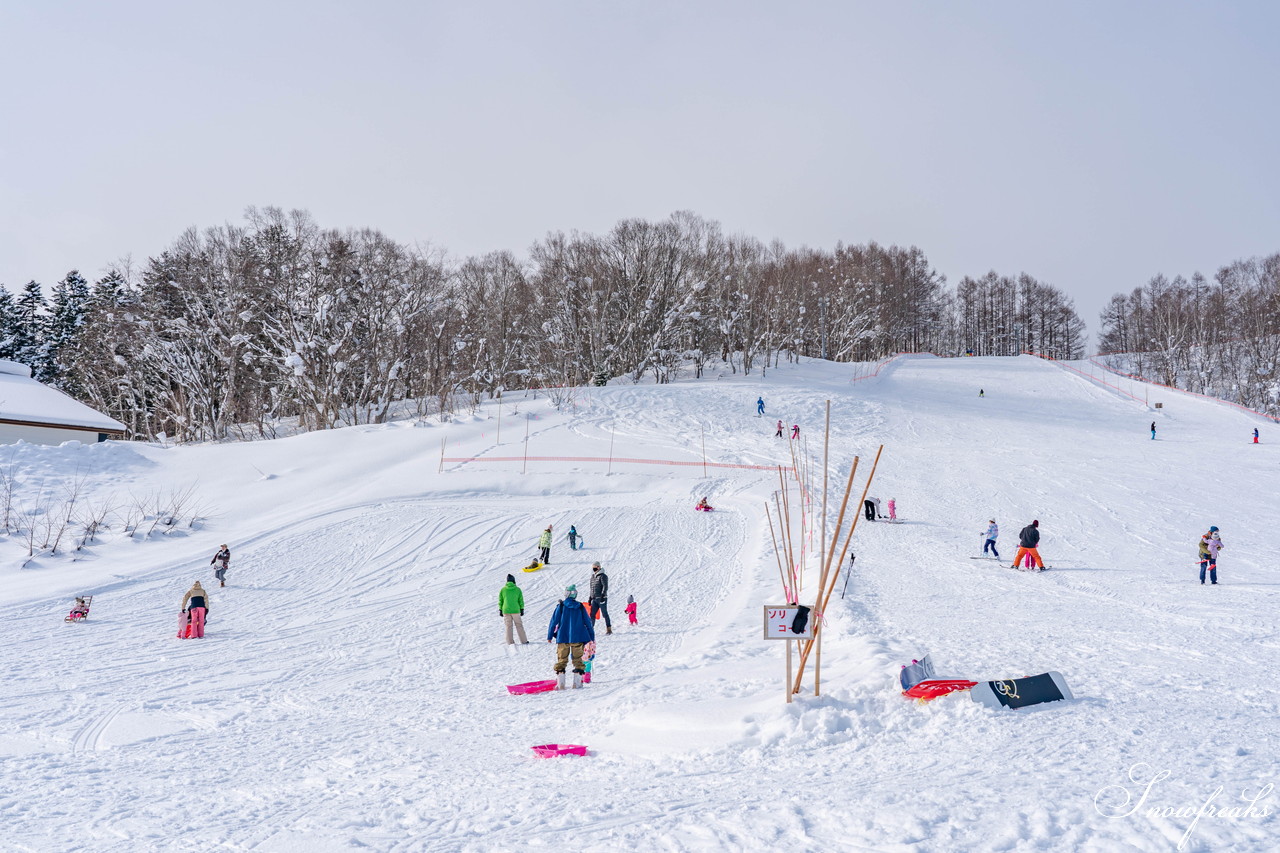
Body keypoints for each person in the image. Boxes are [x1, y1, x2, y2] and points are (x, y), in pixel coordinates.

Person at [547, 584, 595, 689]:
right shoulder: (580, 607)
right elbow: (588, 622)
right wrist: (591, 637)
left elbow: (553, 621)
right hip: (578, 638)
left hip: (562, 637)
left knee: (561, 659)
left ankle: (561, 684)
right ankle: (577, 684)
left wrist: (550, 635)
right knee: (578, 660)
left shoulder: (561, 606)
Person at [499, 574, 529, 644]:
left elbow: (501, 600)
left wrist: (500, 609)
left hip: (506, 610)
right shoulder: (517, 589)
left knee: (508, 626)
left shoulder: (503, 590)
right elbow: (520, 600)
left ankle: (510, 642)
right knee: (519, 625)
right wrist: (522, 609)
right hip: (516, 610)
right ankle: (524, 641)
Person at [588, 561, 612, 635]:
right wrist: (590, 597)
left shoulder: (603, 576)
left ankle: (609, 629)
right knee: (592, 614)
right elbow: (592, 588)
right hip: (594, 599)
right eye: (593, 567)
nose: (594, 569)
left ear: (598, 567)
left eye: (595, 567)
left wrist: (603, 595)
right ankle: (591, 629)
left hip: (601, 598)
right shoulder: (593, 577)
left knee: (604, 614)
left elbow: (605, 586)